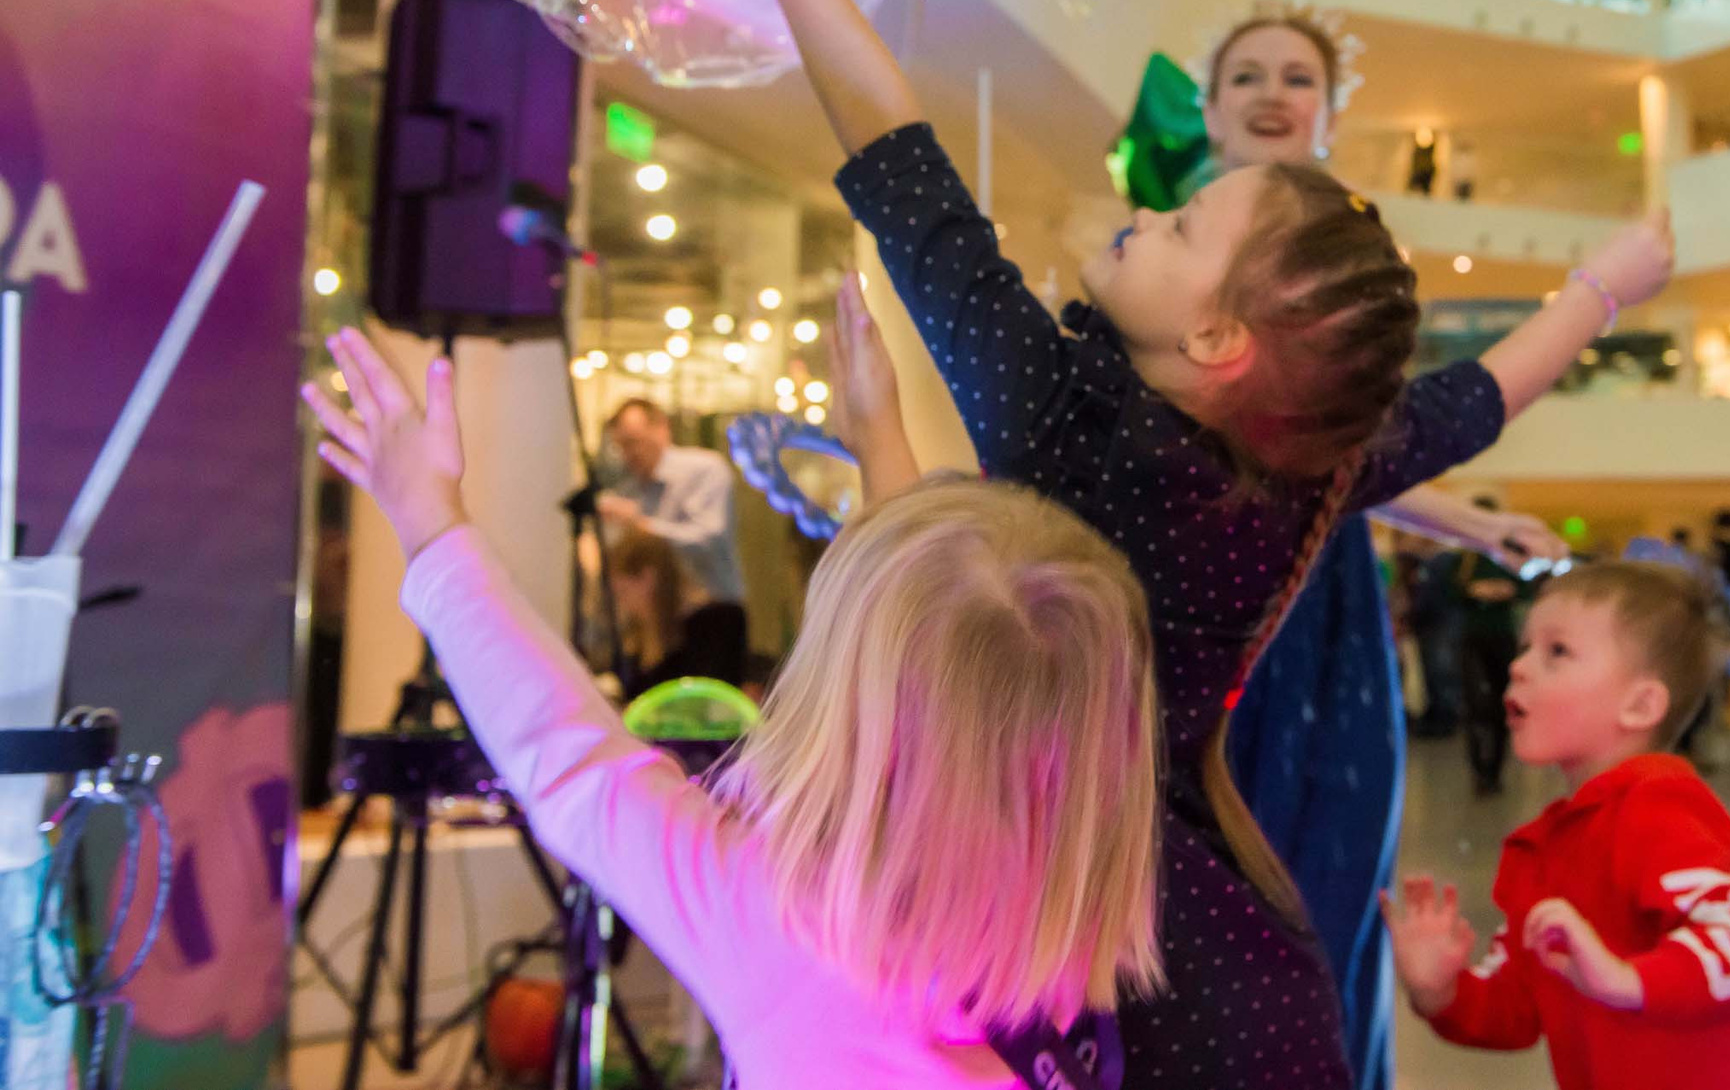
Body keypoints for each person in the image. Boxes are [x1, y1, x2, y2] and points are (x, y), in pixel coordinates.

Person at [675, 0, 1674, 1088]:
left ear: (1218, 342)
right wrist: (1605, 287)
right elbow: (1478, 398)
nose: (1148, 215)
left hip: (1029, 922)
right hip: (1216, 960)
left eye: (1188, 226)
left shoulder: (1047, 409)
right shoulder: (1306, 466)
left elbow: (891, 149)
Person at [300, 330, 1163, 1089]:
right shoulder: (1059, 921)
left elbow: (569, 757)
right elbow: (964, 677)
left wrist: (427, 516)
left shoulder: (777, 927)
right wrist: (878, 441)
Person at [1196, 9, 1588, 1090]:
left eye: (1296, 76)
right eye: (1246, 76)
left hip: (1326, 608)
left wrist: (1475, 522)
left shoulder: (1353, 263)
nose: (1272, 92)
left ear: (1327, 111)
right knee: (1203, 900)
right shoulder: (1167, 252)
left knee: (1330, 891)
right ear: (1209, 107)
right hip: (1205, 599)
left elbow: (1356, 453)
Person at [1382, 563, 1730, 1090]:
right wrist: (1440, 991)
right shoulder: (1547, 844)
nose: (1520, 667)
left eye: (1557, 652)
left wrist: (1628, 980)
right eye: (1526, 646)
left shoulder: (1662, 805)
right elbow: (1517, 1008)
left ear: (1641, 704)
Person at [600, 397, 747, 606]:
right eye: (621, 446)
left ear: (661, 429)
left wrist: (641, 526)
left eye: (634, 442)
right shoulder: (630, 488)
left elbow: (708, 540)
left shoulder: (705, 469)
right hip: (660, 616)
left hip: (712, 611)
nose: (629, 454)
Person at [606, 531, 749, 698]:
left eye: (623, 592)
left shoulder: (717, 623)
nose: (621, 603)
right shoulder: (635, 639)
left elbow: (705, 698)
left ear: (647, 579)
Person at [1455, 543, 1526, 795]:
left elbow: (1525, 588)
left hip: (1501, 638)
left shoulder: (1507, 559)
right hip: (1473, 639)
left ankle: (1493, 771)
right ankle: (1479, 770)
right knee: (1476, 706)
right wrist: (1473, 591)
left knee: (1500, 707)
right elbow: (1450, 593)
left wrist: (1503, 591)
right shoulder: (1464, 560)